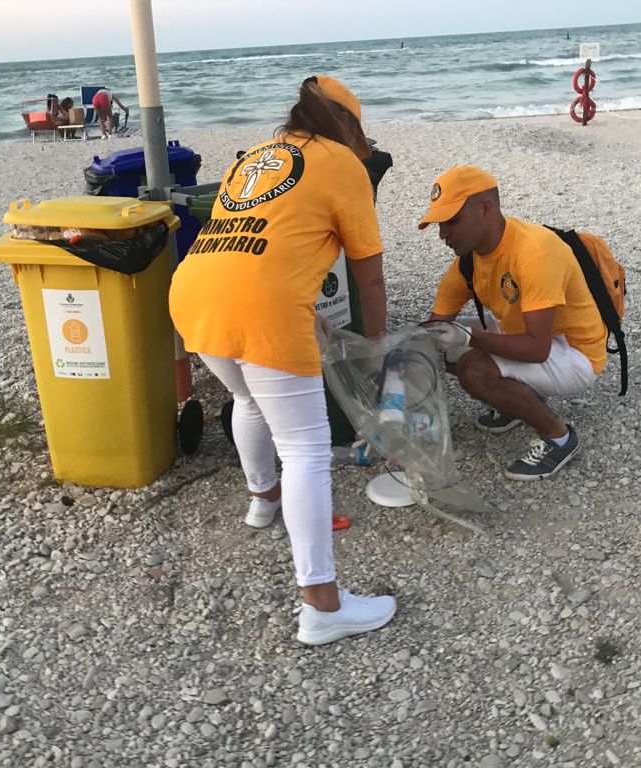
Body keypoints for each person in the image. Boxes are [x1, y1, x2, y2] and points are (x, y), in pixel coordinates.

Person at [169, 75, 395, 646]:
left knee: (245, 399)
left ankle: (262, 501)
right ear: (346, 126)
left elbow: (260, 246)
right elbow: (367, 271)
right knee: (308, 450)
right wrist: (375, 346)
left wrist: (310, 317)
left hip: (193, 293)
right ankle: (322, 605)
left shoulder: (258, 158)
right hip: (261, 308)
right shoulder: (343, 163)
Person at [419, 166, 608, 481]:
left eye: (452, 221)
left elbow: (537, 348)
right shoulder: (469, 260)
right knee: (439, 343)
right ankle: (513, 401)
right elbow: (434, 328)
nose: (443, 234)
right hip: (526, 336)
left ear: (485, 208)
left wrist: (468, 338)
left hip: (574, 353)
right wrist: (396, 355)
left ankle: (559, 438)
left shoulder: (534, 253)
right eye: (440, 224)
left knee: (472, 368)